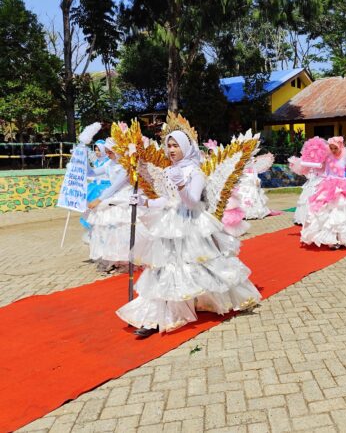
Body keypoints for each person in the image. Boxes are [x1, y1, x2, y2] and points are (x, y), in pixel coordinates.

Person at [116, 130, 261, 337]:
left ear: (185, 147)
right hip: (170, 223)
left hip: (191, 223)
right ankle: (157, 317)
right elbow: (168, 199)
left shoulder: (196, 172)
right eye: (169, 145)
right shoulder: (170, 170)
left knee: (203, 267)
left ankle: (209, 300)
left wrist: (182, 184)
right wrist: (144, 201)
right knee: (165, 269)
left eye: (175, 146)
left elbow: (191, 201)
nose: (171, 150)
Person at [86, 138, 147, 270]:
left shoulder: (126, 166)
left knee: (124, 228)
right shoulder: (109, 164)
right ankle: (116, 258)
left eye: (110, 152)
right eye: (106, 152)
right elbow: (92, 172)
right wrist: (83, 160)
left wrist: (99, 200)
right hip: (114, 197)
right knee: (113, 229)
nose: (108, 155)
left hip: (125, 197)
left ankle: (130, 258)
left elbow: (114, 186)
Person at [80, 140, 111, 232]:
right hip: (95, 186)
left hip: (106, 187)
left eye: (99, 150)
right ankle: (93, 229)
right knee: (90, 207)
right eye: (96, 150)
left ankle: (103, 230)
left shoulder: (108, 162)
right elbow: (91, 173)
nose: (97, 152)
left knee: (101, 209)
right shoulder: (97, 162)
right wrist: (83, 158)